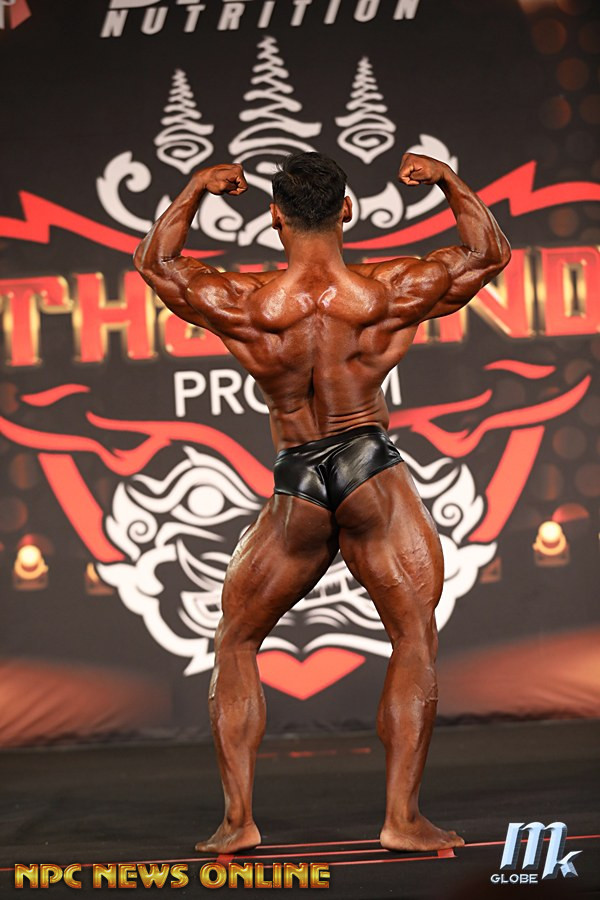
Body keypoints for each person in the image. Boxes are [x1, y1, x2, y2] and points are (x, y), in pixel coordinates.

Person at [134, 150, 511, 854]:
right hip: (370, 469)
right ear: (347, 210)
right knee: (412, 637)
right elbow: (488, 253)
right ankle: (402, 820)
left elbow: (157, 264)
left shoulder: (246, 303)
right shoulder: (388, 292)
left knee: (237, 640)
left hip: (297, 478)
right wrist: (448, 180)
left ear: (274, 217)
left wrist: (195, 188)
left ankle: (237, 821)